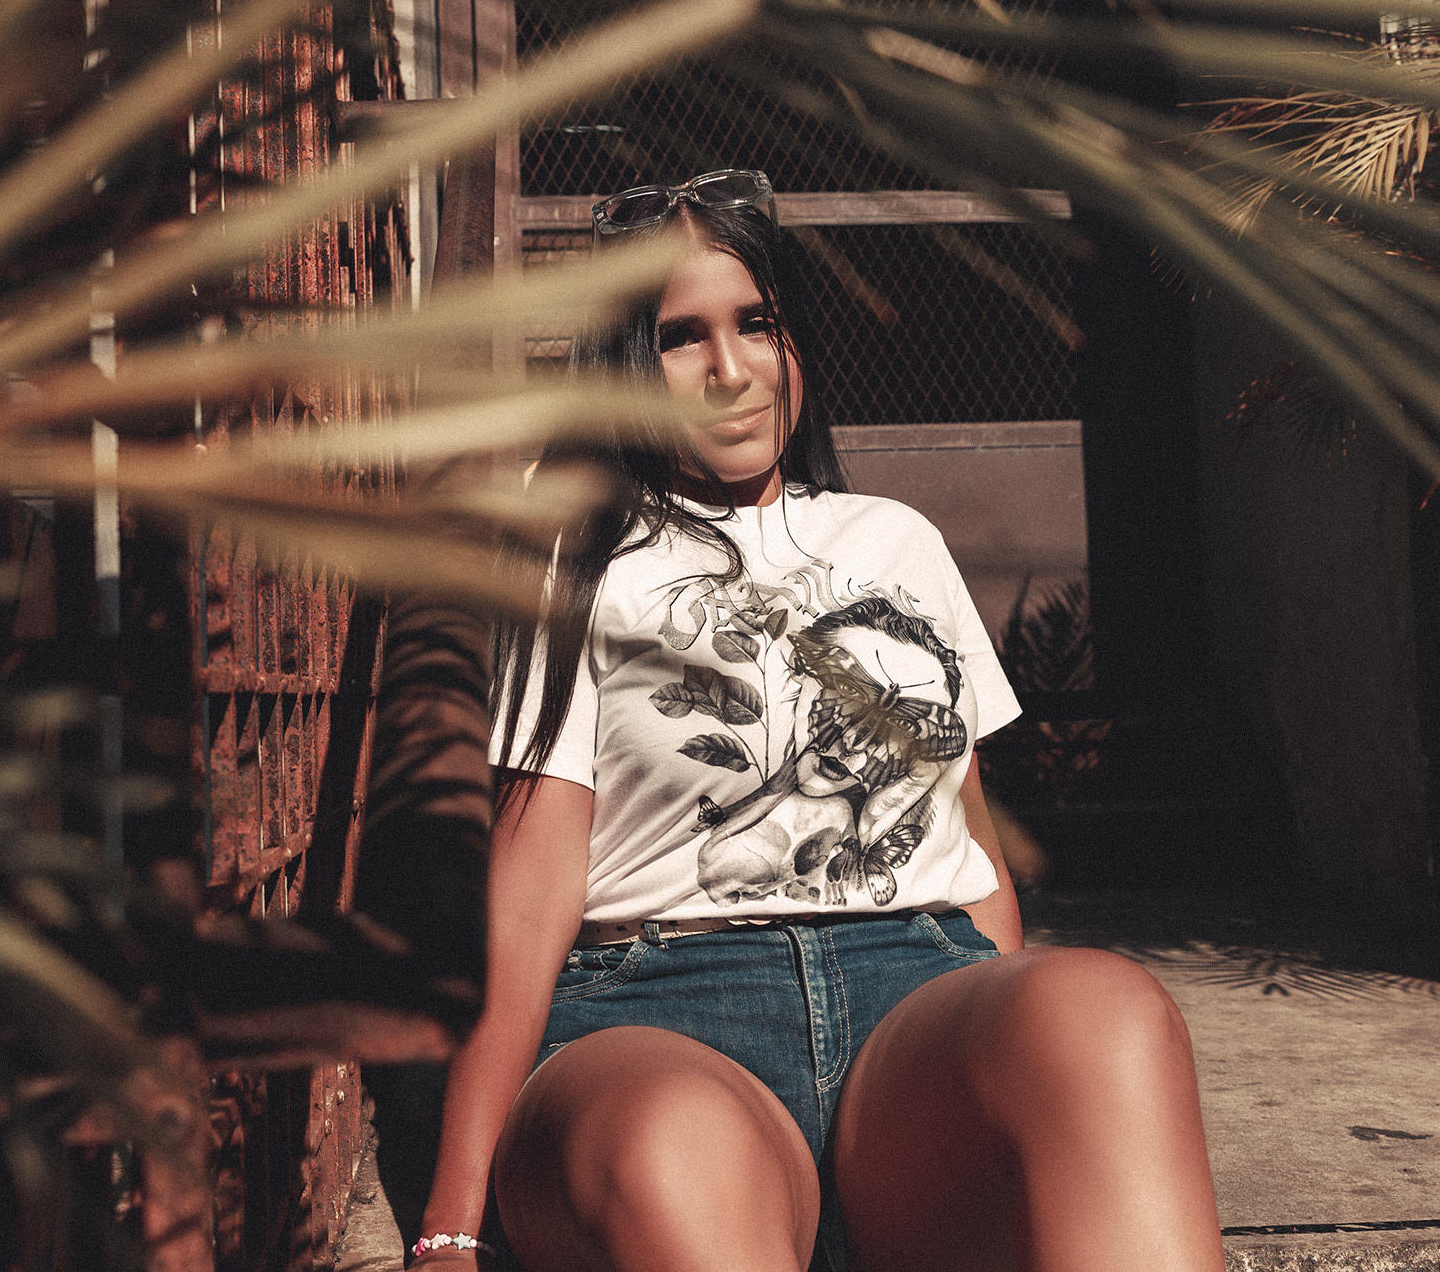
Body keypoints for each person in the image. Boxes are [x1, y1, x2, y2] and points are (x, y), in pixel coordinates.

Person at [410, 169, 1226, 1272]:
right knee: (669, 1144)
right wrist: (450, 1224)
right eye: (680, 337)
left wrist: (1003, 1054)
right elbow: (528, 894)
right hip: (660, 1009)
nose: (730, 369)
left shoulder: (899, 542)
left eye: (758, 323)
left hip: (910, 1004)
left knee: (1107, 1012)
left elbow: (969, 850)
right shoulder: (580, 560)